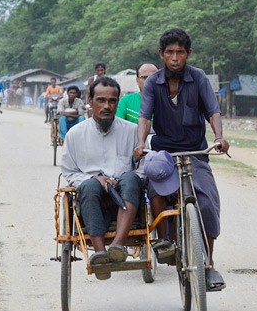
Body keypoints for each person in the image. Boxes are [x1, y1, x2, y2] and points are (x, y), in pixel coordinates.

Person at [133, 27, 230, 291]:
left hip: (195, 153)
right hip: (164, 154)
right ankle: (164, 240)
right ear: (162, 55)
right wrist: (141, 143)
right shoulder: (153, 83)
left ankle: (209, 264)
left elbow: (213, 111)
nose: (175, 58)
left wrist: (219, 137)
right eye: (170, 52)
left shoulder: (198, 78)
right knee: (154, 189)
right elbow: (145, 117)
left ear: (188, 54)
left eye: (180, 52)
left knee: (208, 202)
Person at [61, 76, 143, 280]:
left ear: (118, 101)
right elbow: (69, 171)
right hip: (92, 199)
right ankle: (99, 254)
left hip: (126, 198)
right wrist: (96, 179)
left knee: (132, 178)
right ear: (90, 100)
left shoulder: (132, 131)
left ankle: (117, 245)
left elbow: (144, 166)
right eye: (101, 100)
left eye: (112, 101)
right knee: (89, 186)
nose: (107, 106)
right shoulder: (75, 134)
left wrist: (120, 179)